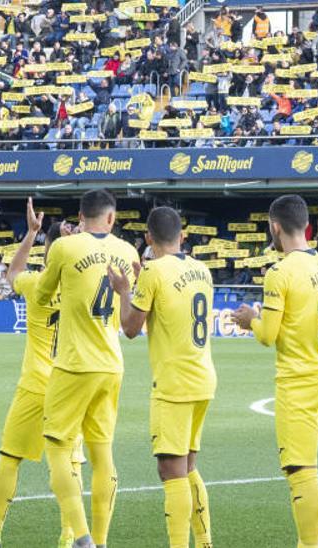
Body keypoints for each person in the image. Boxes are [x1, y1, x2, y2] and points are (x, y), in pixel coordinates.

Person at [0, 200, 85, 548]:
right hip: (71, 385)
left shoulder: (37, 284)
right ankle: (69, 536)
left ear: (48, 250)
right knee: (70, 465)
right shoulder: (85, 287)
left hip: (35, 384)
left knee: (10, 458)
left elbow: (10, 274)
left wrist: (32, 233)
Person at [34, 189, 140, 548]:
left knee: (58, 448)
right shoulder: (128, 252)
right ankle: (102, 540)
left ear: (80, 217)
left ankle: (81, 538)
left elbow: (41, 296)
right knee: (103, 454)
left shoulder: (65, 248)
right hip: (112, 365)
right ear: (111, 218)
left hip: (75, 364)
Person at [232, 195, 318, 548]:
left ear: (275, 226)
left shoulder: (280, 272)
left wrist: (251, 321)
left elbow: (268, 336)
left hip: (299, 380)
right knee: (306, 465)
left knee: (301, 470)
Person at [111, 207, 216, 548]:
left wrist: (125, 289)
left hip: (174, 383)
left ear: (148, 238)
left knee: (170, 472)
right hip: (203, 378)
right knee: (188, 466)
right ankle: (204, 542)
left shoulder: (153, 272)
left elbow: (130, 328)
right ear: (182, 235)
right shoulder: (202, 269)